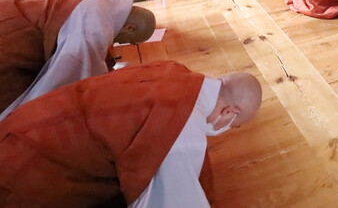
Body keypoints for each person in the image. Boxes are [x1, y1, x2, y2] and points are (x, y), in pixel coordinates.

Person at [0, 60, 262, 208]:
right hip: (23, 174)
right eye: (233, 126)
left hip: (24, 123)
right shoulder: (181, 130)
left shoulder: (174, 70)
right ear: (229, 113)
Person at [0, 0, 156, 119]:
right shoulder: (94, 27)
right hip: (9, 39)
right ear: (129, 28)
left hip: (11, 9)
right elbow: (65, 85)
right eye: (129, 41)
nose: (121, 43)